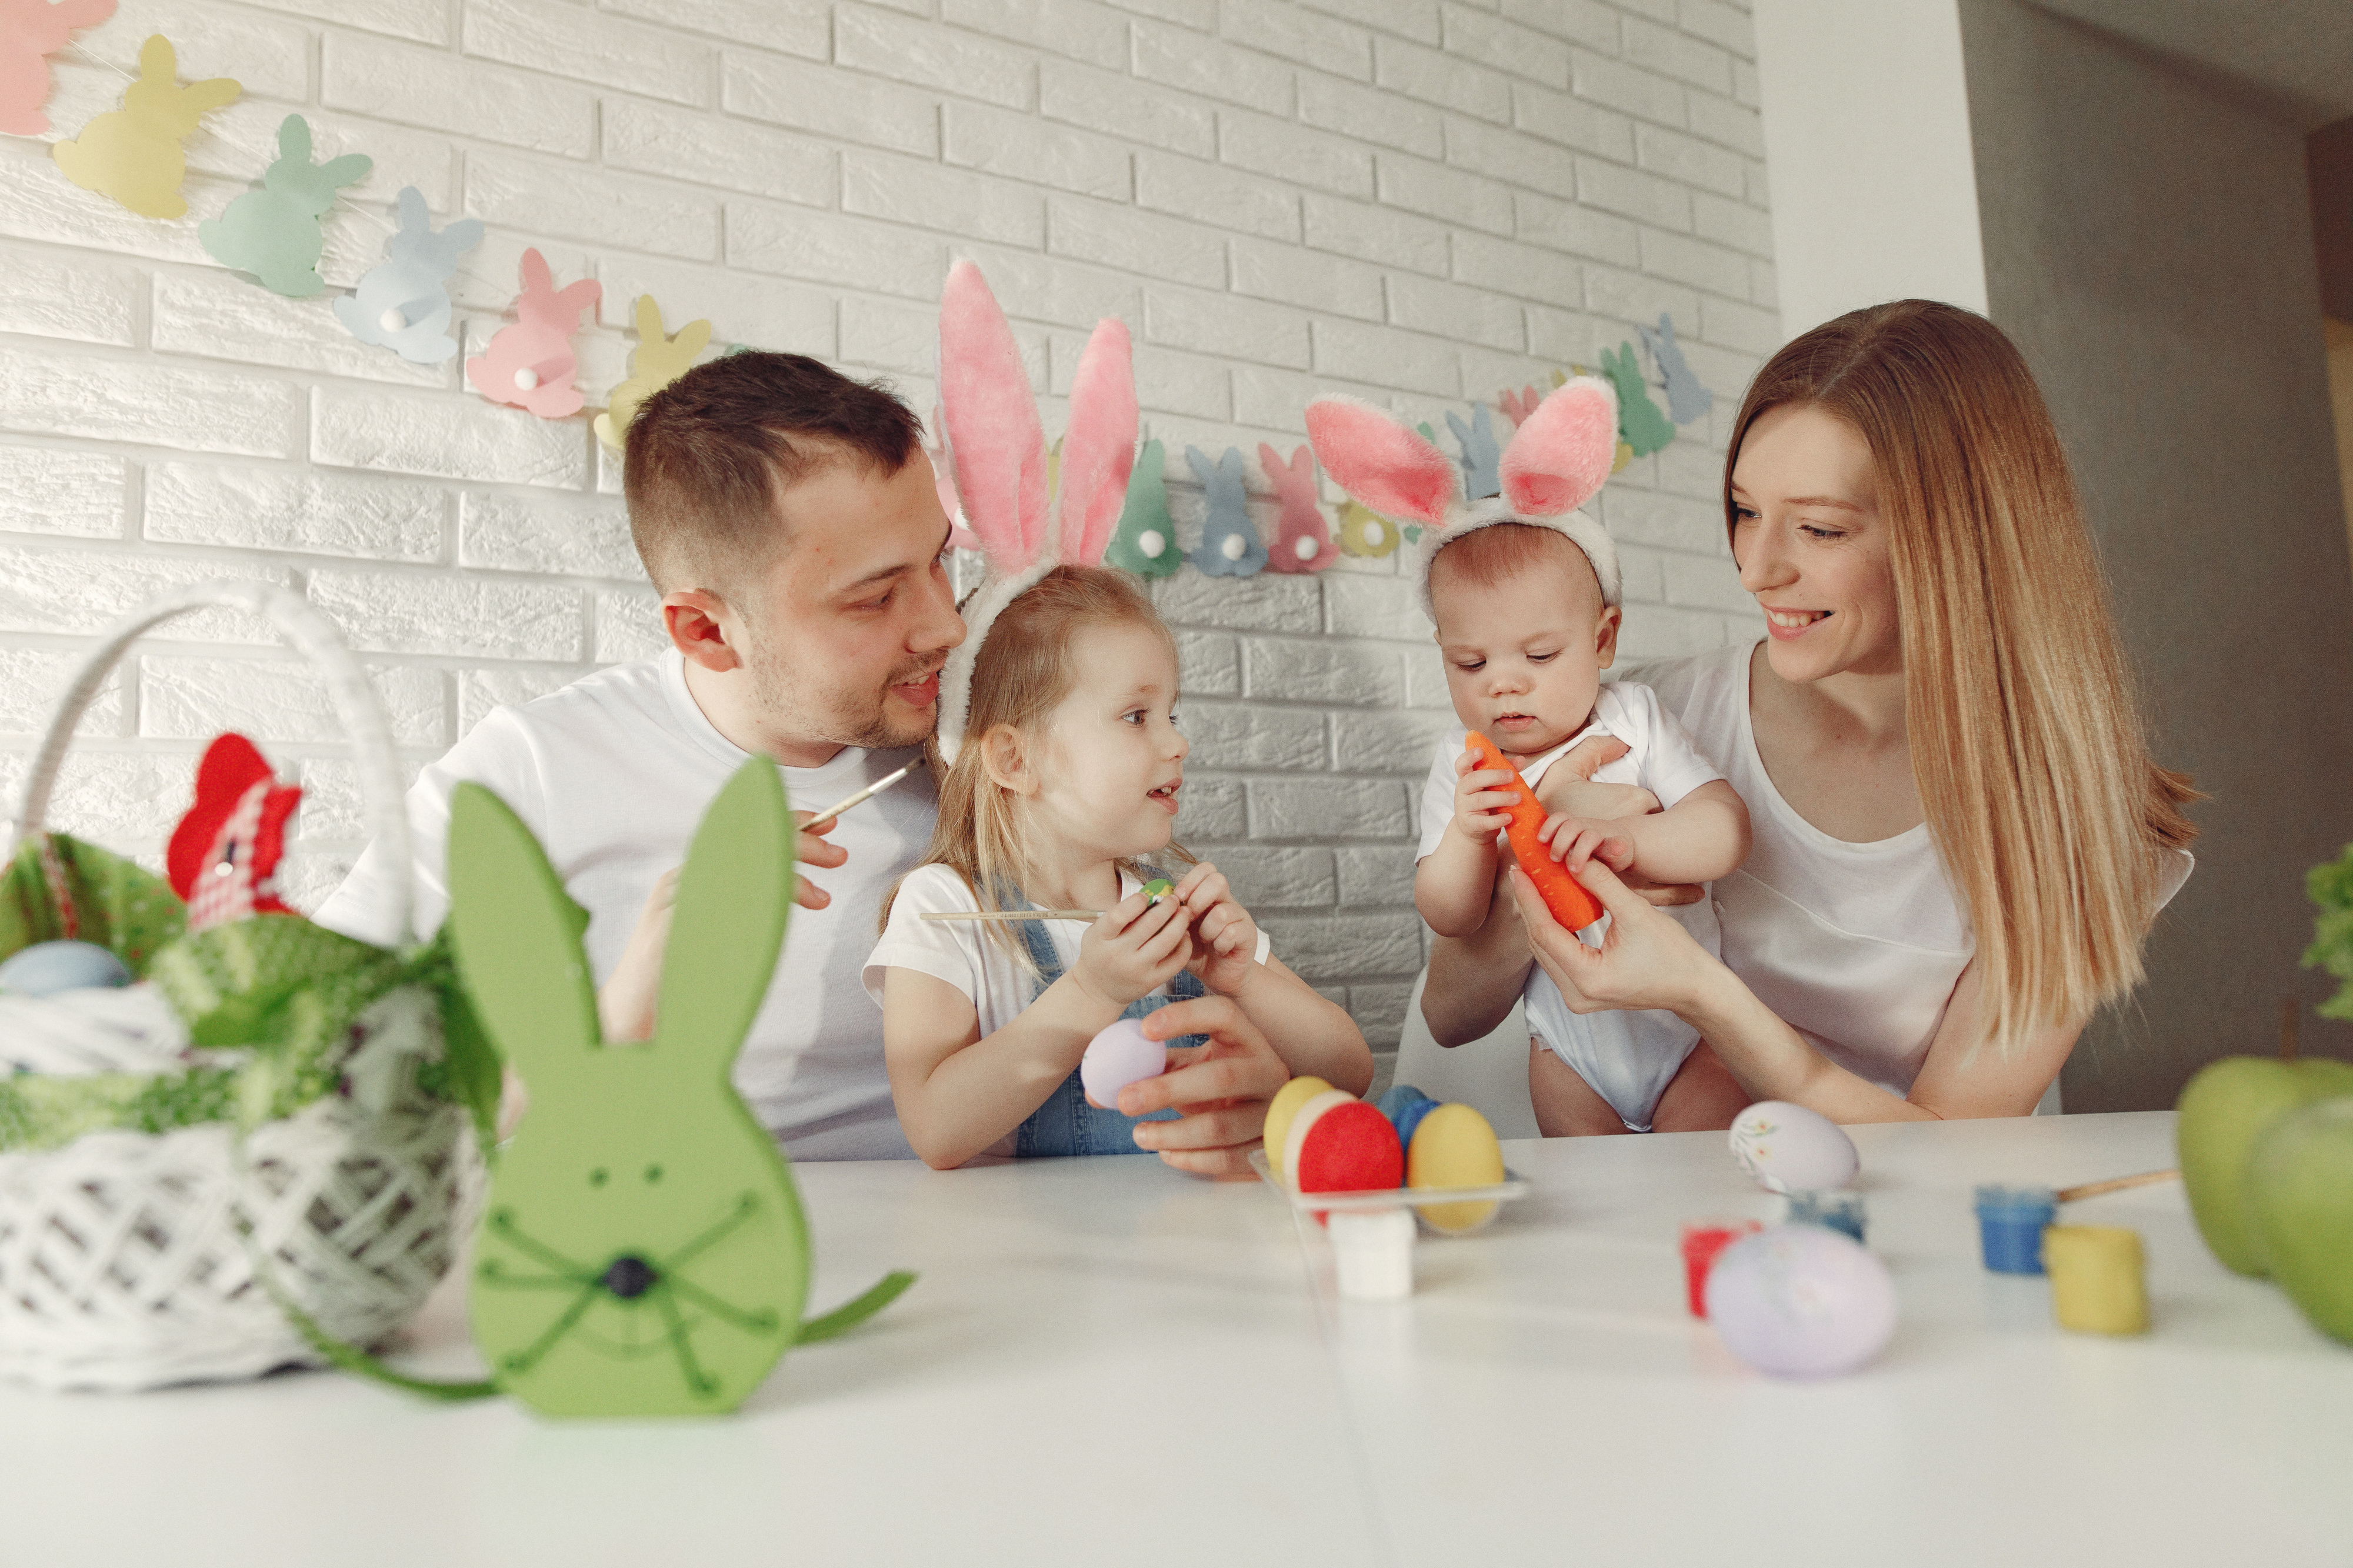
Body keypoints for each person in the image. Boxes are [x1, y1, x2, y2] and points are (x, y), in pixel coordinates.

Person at [1427, 300, 2197, 1122]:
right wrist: (1536, 865)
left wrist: (1705, 997)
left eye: (1821, 530)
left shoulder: (2072, 820)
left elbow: (1948, 1146)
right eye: (1746, 511)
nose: (1756, 569)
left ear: (1957, 546)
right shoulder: (1650, 719)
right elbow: (1449, 1015)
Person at [319, 352, 959, 1159]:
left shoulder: (977, 747)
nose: (946, 626)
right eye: (874, 597)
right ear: (706, 631)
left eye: (942, 559)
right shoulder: (530, 772)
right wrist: (622, 1015)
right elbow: (310, 1080)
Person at [865, 263, 1368, 1171]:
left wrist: (1241, 972)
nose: (1177, 741)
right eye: (1136, 716)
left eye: (1172, 711)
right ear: (1012, 758)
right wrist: (1090, 990)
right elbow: (938, 1128)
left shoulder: (1168, 908)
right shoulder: (948, 913)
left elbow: (1348, 1068)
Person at [1304, 382, 1750, 1137]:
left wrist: (1633, 843)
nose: (1503, 682)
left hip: (1685, 1028)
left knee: (1698, 1176)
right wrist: (1472, 839)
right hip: (1567, 1046)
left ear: (1603, 640)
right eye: (1470, 662)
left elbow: (1723, 831)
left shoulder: (1633, 717)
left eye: (1539, 654)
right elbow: (1448, 913)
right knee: (1591, 1196)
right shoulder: (1465, 762)